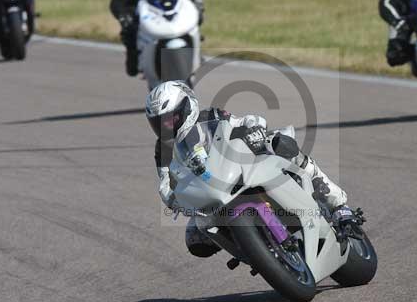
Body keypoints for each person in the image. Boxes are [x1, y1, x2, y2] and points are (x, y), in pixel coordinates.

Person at [146, 80, 363, 258]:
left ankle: (338, 206)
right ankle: (254, 250)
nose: (166, 126)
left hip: (244, 168)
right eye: (159, 123)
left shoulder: (211, 116)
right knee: (195, 239)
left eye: (171, 118)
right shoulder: (163, 148)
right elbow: (166, 182)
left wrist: (255, 129)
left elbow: (247, 120)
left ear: (188, 106)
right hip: (212, 196)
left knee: (282, 143)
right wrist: (175, 200)